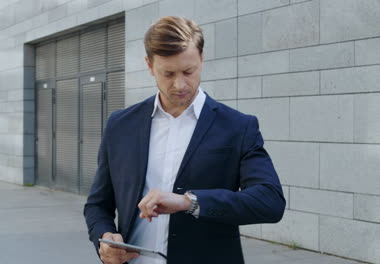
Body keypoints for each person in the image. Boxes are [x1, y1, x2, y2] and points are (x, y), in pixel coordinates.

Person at [84, 16, 286, 264]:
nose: (179, 84)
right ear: (149, 65)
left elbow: (270, 202)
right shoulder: (120, 124)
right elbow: (97, 205)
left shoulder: (238, 126)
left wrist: (189, 202)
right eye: (167, 73)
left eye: (188, 71)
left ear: (201, 59)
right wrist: (104, 239)